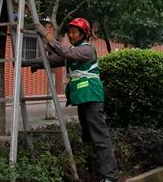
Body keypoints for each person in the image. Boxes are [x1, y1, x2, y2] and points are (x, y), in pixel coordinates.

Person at [32, 17, 118, 182]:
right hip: (82, 98)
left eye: (74, 32)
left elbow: (65, 52)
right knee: (87, 138)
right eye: (69, 32)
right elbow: (54, 59)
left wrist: (46, 35)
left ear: (83, 34)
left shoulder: (87, 50)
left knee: (100, 138)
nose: (70, 35)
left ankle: (110, 177)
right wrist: (27, 63)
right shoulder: (74, 51)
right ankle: (93, 172)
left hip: (92, 97)